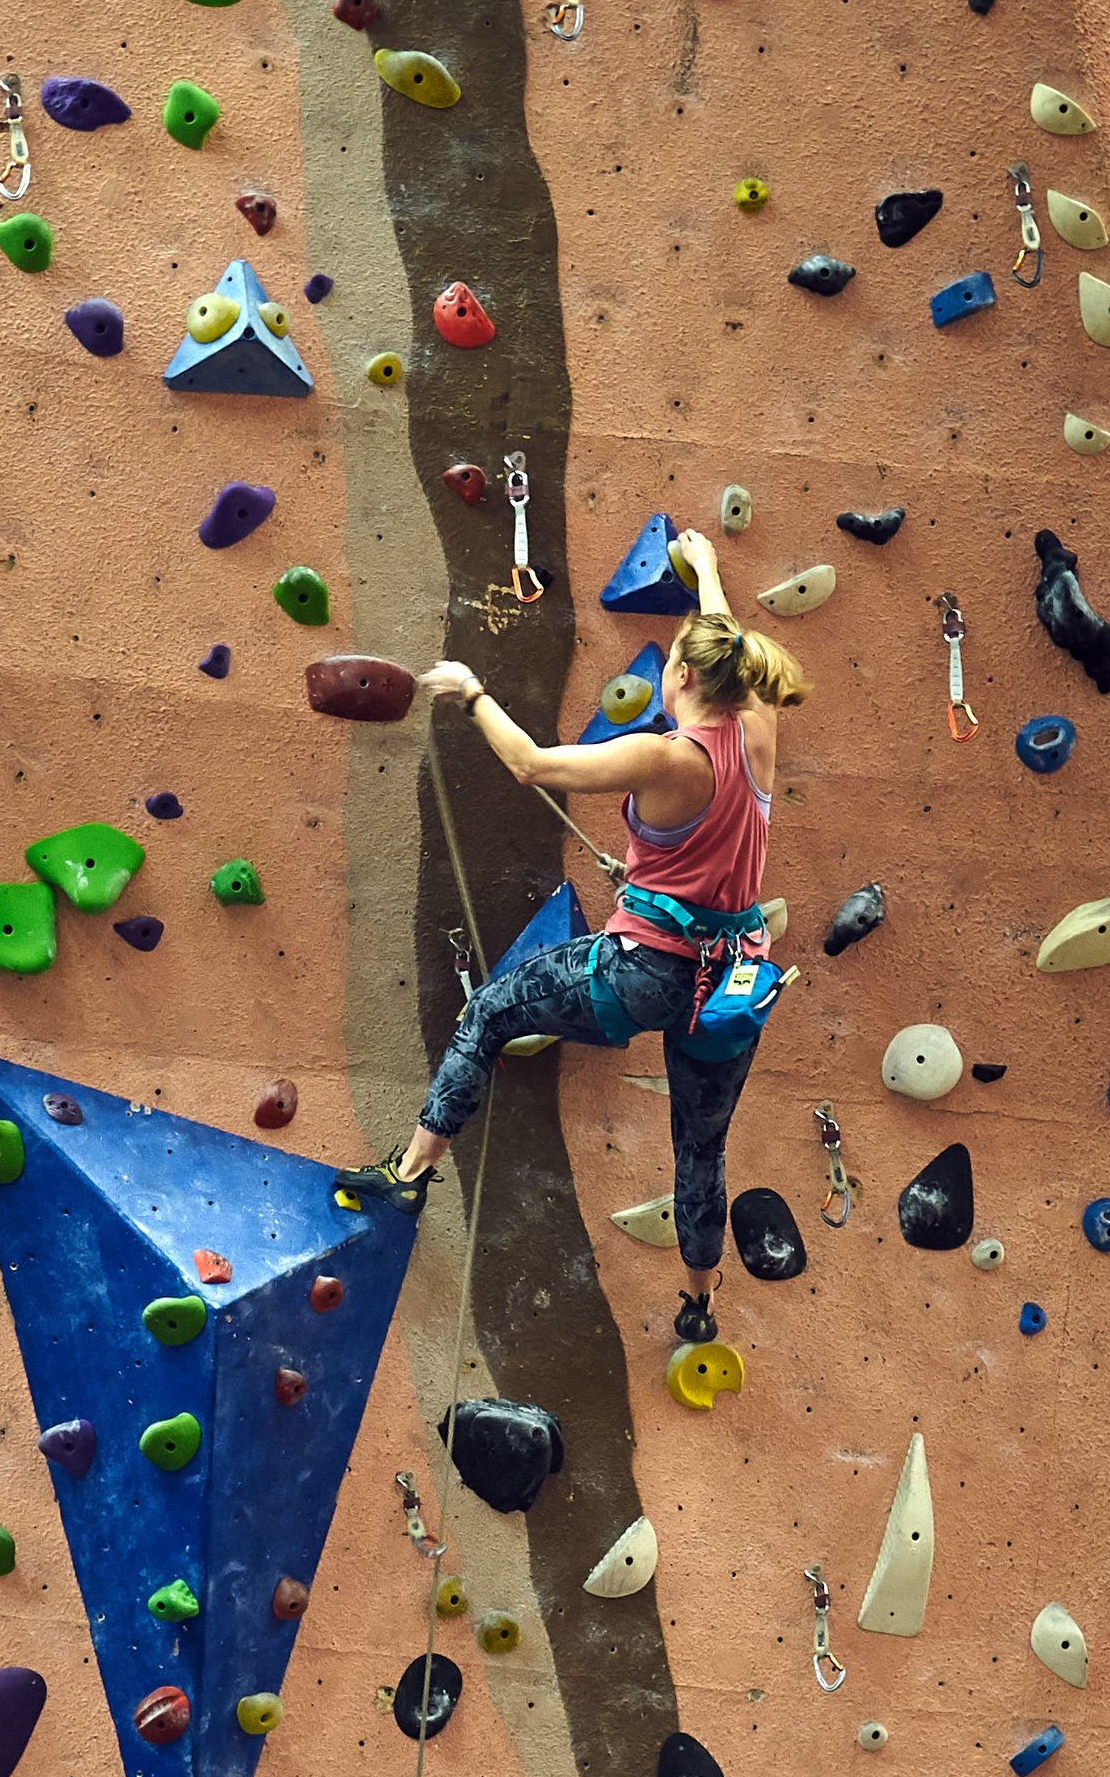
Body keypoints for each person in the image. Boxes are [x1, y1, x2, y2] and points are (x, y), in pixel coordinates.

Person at [339, 532, 809, 1342]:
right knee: (701, 1151)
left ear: (684, 676)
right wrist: (710, 576)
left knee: (489, 1010)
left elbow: (529, 766)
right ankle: (698, 1305)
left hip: (646, 972)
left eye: (674, 666)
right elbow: (726, 639)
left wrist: (471, 689)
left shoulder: (663, 758)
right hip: (731, 985)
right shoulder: (758, 734)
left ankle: (411, 1172)